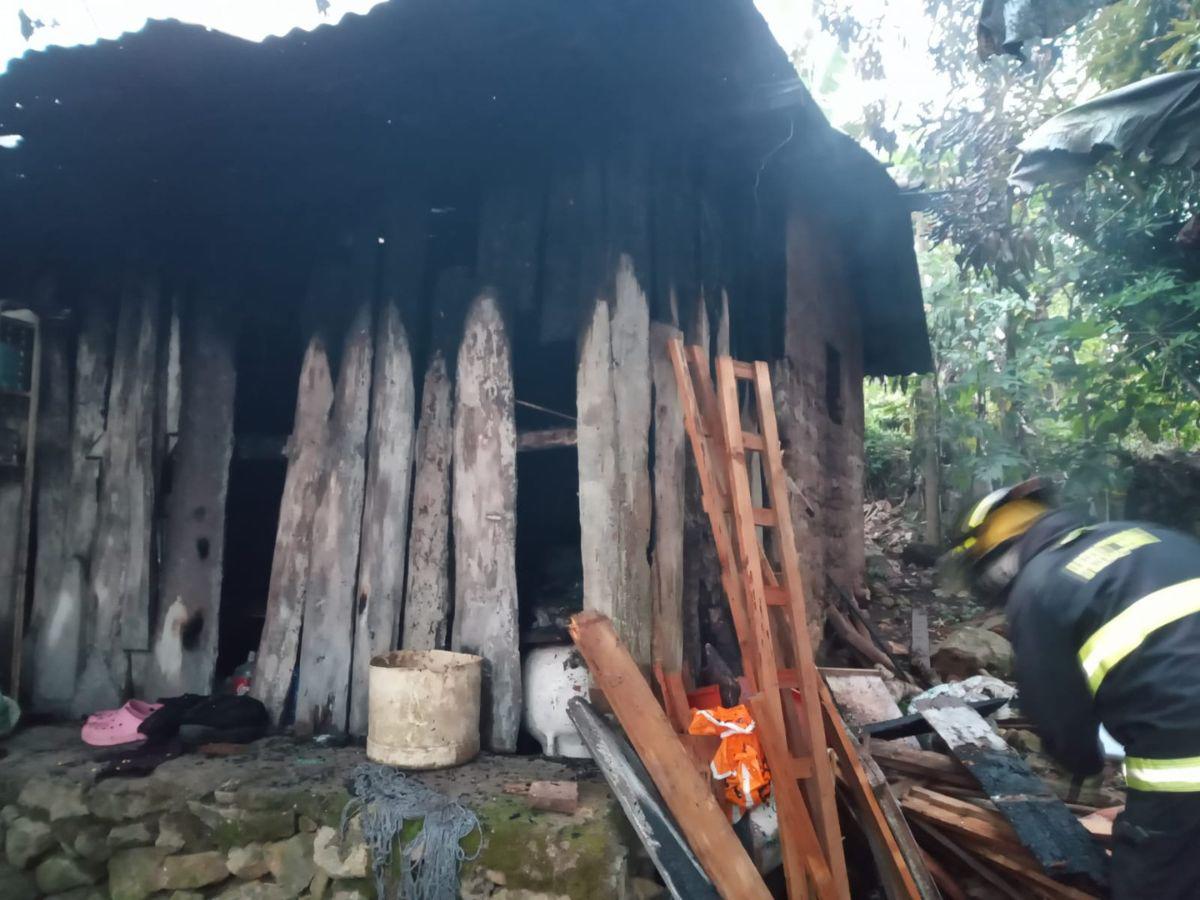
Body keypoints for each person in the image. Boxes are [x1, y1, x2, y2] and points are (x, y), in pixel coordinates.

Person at [945, 478, 1200, 899]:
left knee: (1154, 879)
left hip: (1186, 763)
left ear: (996, 563)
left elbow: (1060, 718)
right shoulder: (1138, 536)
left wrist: (1082, 761)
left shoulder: (1040, 585)